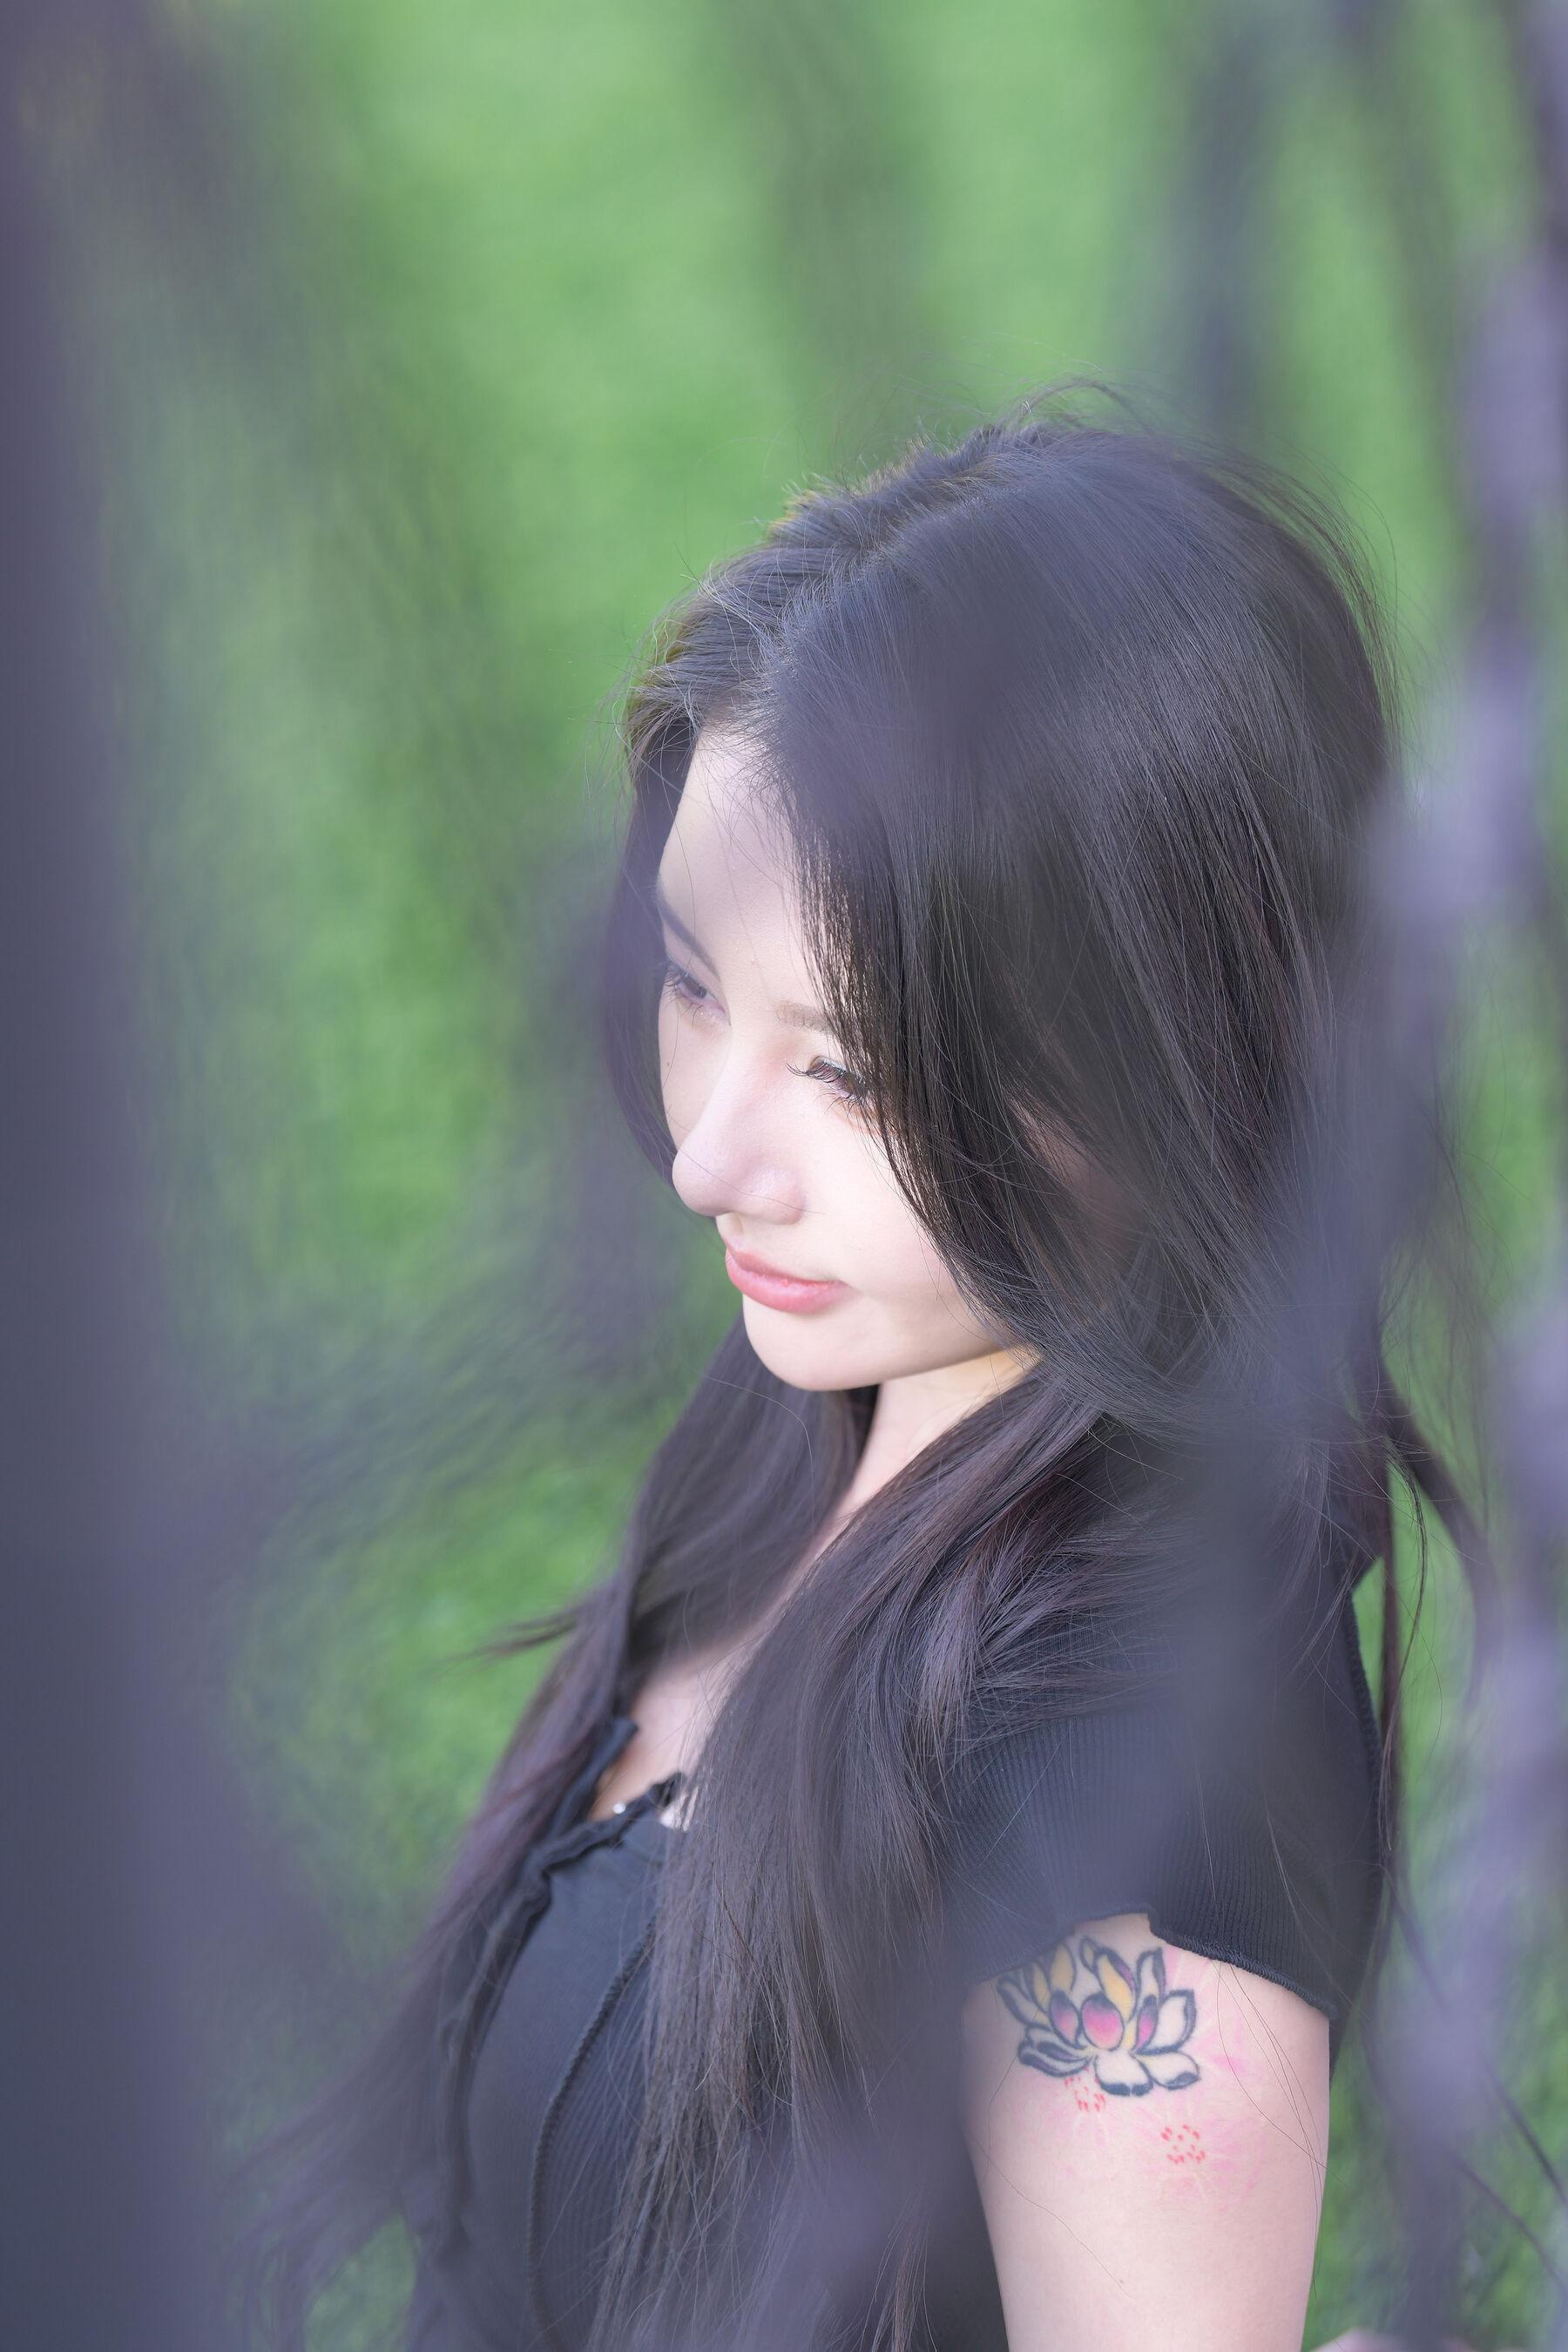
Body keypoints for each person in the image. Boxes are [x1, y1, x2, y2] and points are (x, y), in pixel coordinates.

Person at [227, 382, 1492, 2351]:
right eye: (691, 981)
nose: (710, 1159)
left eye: (853, 1068)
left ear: (1164, 1064)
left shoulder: (1134, 1764)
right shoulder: (847, 1381)